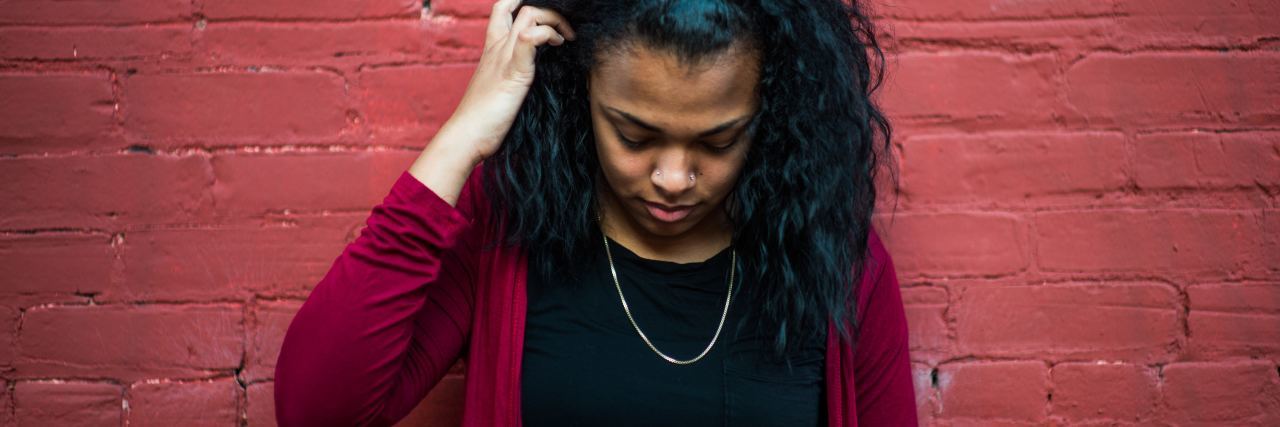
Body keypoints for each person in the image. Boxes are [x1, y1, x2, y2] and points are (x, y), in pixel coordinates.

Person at [274, 0, 916, 425]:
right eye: (634, 136)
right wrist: (465, 136)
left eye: (719, 143)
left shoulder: (834, 261)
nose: (672, 179)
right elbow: (316, 410)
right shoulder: (509, 228)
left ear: (772, 114)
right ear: (580, 88)